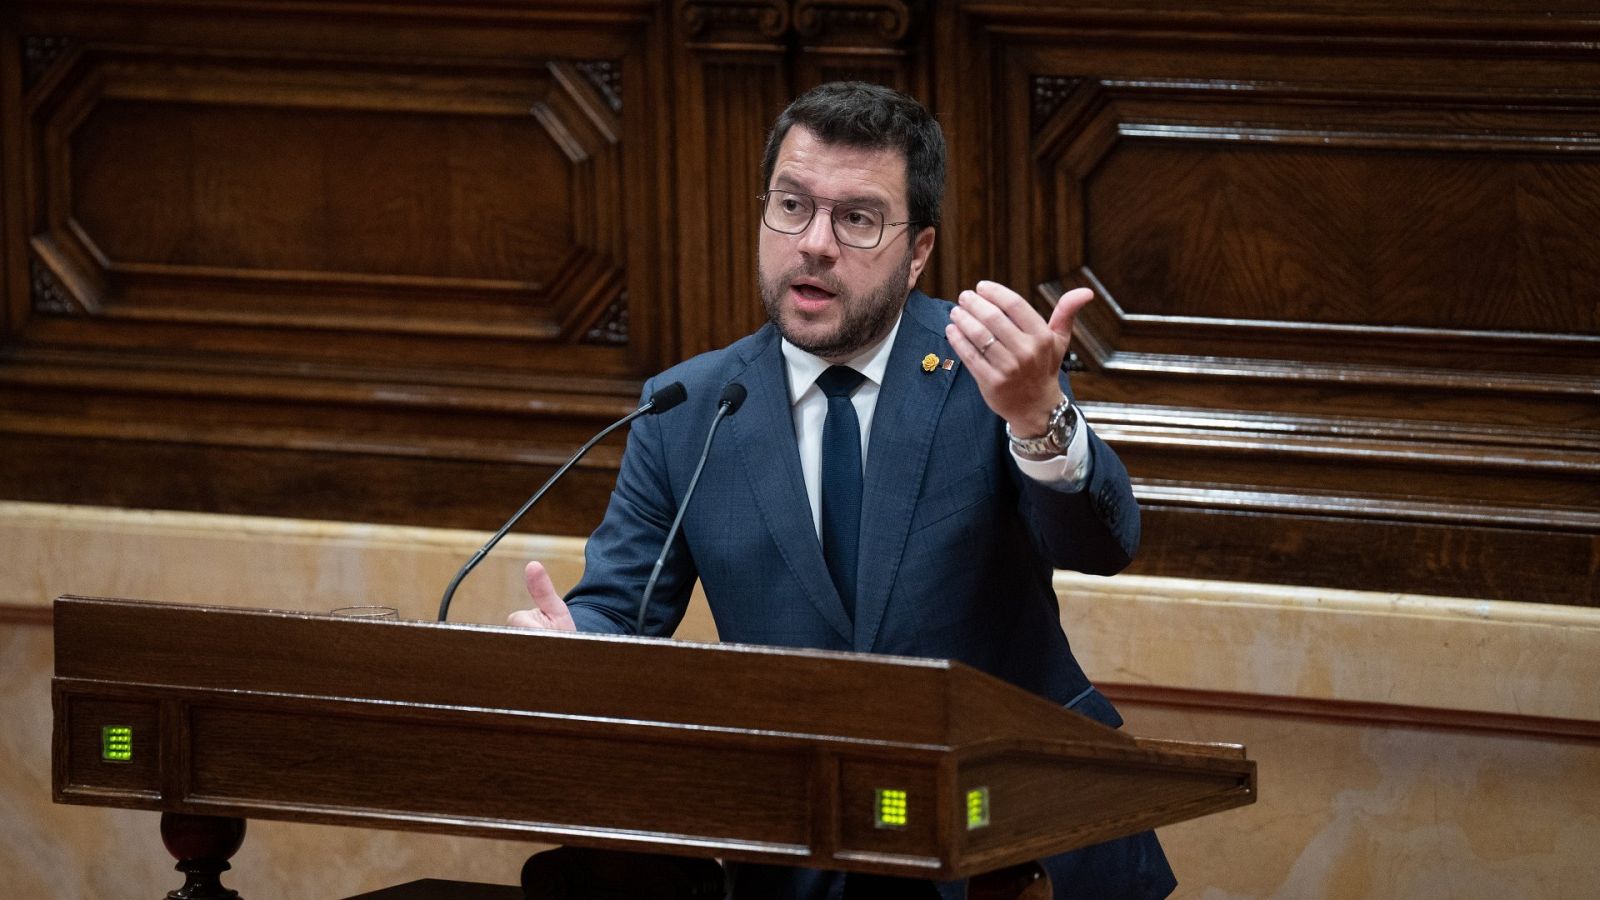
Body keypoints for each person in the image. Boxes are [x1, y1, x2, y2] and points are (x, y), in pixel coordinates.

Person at [508, 81, 1175, 899]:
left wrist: (1040, 417)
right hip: (800, 849)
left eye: (856, 219)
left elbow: (1102, 545)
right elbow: (621, 608)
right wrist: (576, 647)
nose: (814, 243)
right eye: (791, 206)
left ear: (919, 250)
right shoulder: (688, 407)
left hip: (1014, 835)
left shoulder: (991, 373)